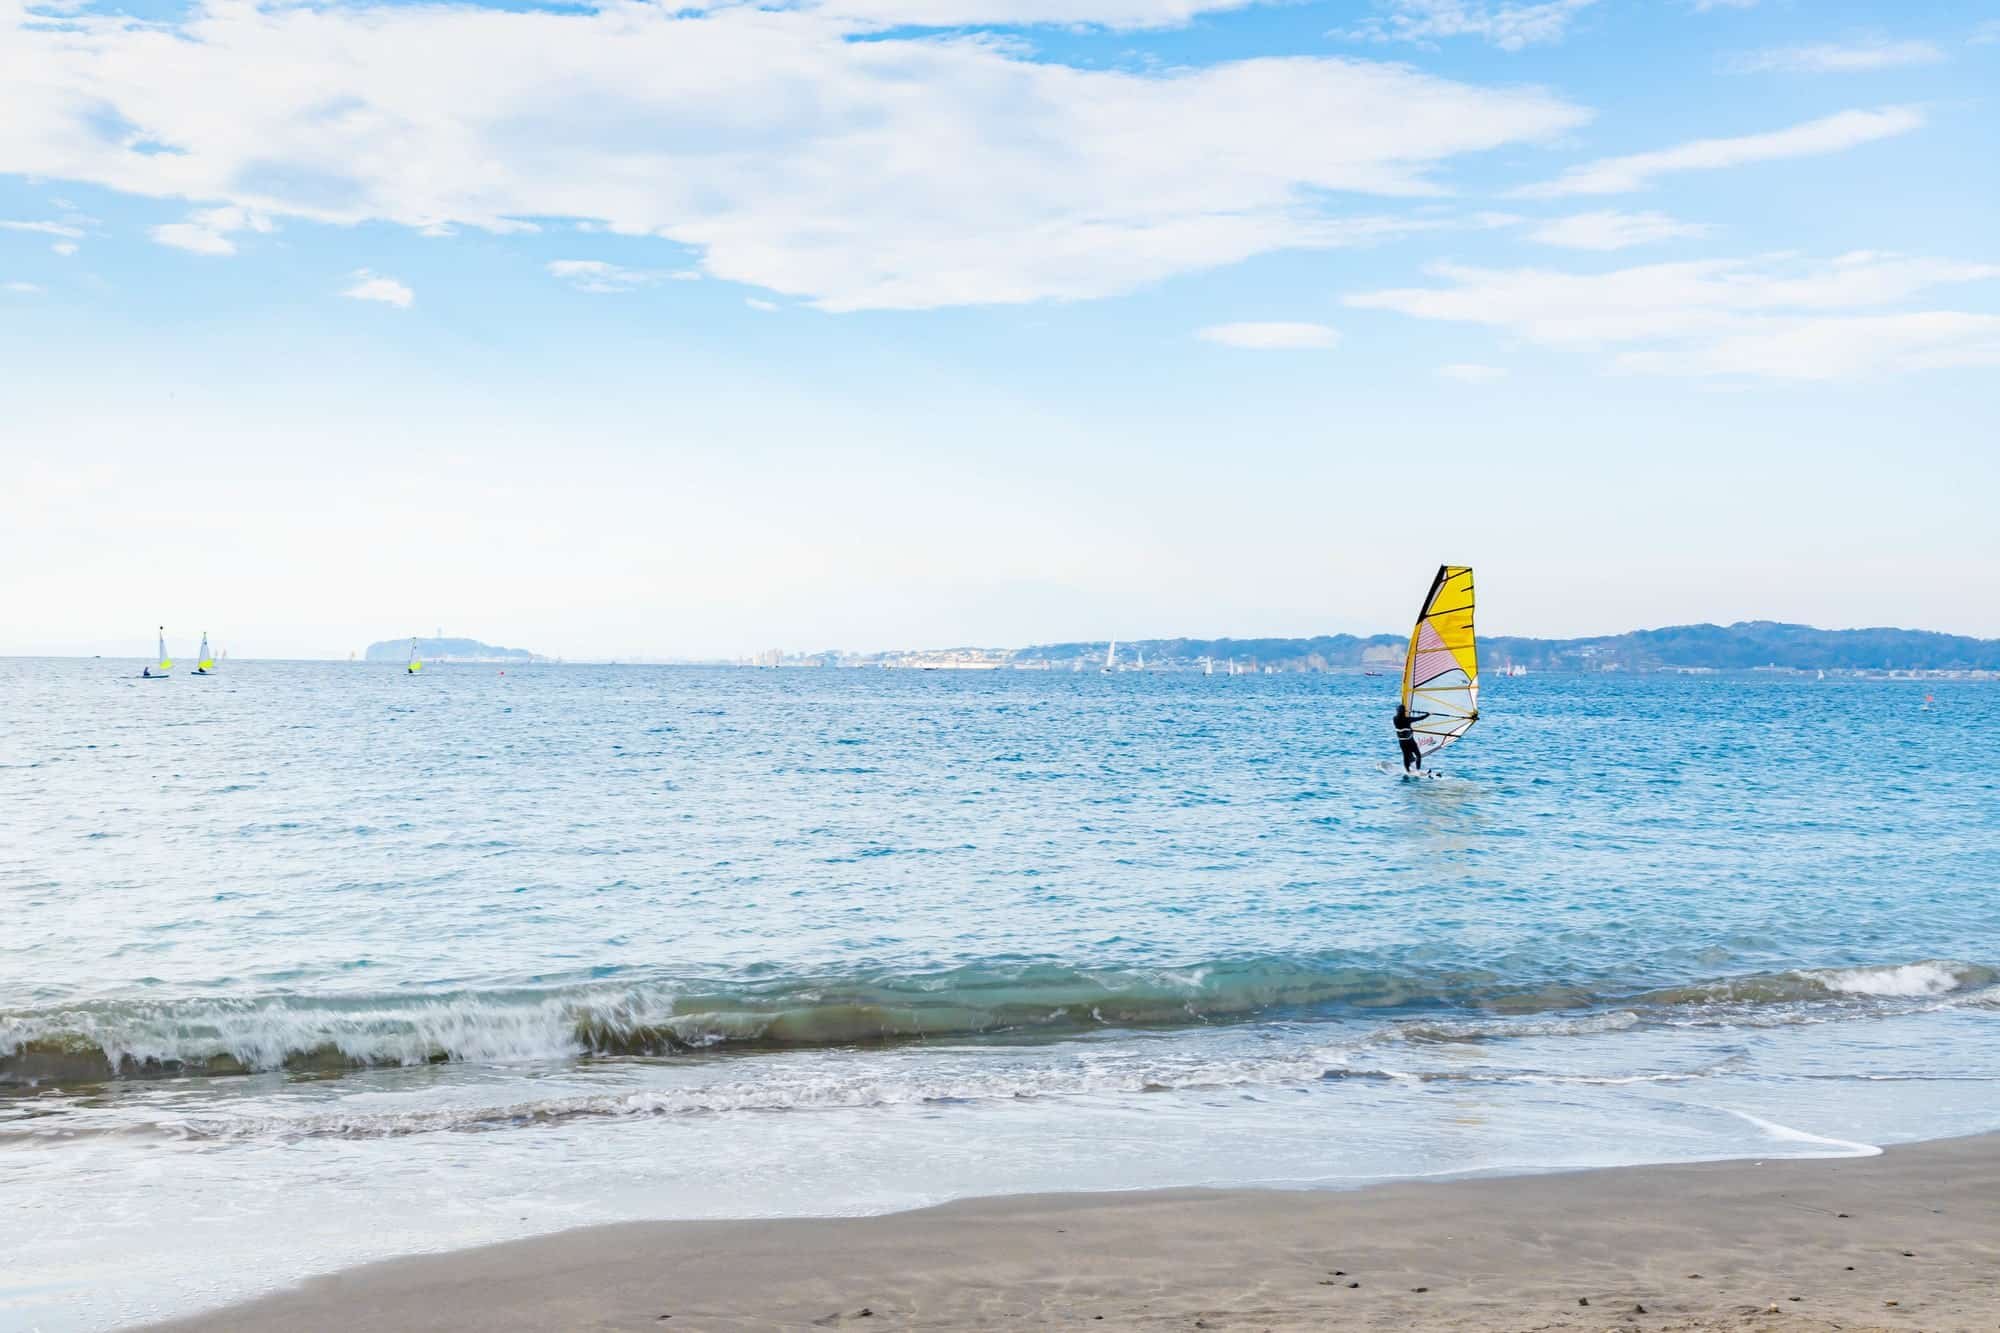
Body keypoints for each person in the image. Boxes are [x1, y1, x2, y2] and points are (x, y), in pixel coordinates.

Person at [1393, 702, 1430, 773]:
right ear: (1404, 711)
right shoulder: (1408, 719)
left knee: (1405, 756)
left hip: (1402, 742)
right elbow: (1420, 718)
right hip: (1410, 741)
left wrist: (1405, 711)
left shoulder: (1395, 719)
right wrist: (1428, 714)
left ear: (1397, 711)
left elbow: (1404, 721)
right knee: (1418, 755)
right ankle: (1418, 770)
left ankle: (1407, 770)